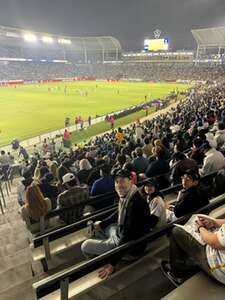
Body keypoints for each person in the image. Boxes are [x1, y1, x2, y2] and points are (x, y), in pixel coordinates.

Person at [81, 169, 151, 278]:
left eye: (122, 181)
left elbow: (126, 237)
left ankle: (100, 261)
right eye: (116, 182)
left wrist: (112, 264)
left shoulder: (135, 204)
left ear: (131, 181)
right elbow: (118, 213)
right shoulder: (130, 194)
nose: (119, 185)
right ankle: (103, 245)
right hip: (121, 235)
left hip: (129, 248)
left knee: (85, 246)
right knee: (100, 225)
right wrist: (102, 224)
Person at [161, 215, 225, 286]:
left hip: (219, 266)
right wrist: (214, 222)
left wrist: (200, 228)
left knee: (176, 231)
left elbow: (214, 242)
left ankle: (178, 275)